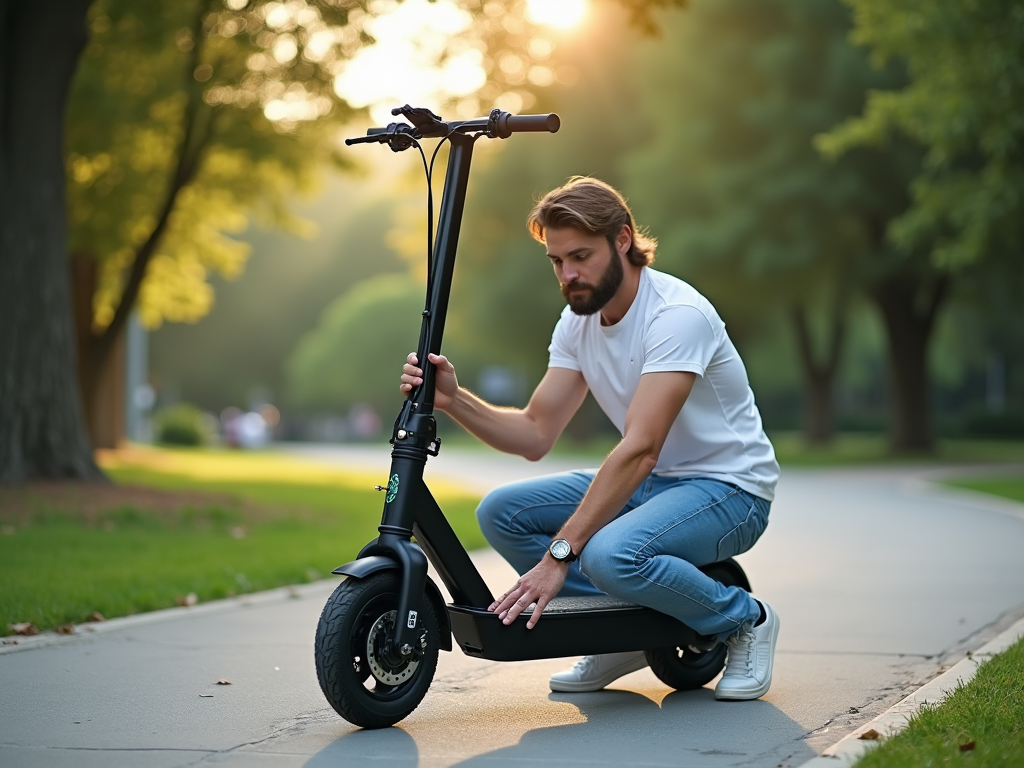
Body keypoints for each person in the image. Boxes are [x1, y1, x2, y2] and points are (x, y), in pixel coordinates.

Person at [400, 177, 780, 700]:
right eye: (557, 261)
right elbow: (535, 432)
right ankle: (623, 628)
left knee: (607, 556)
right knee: (501, 513)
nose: (568, 274)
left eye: (580, 256)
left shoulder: (676, 316)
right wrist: (454, 399)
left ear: (622, 239)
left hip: (730, 489)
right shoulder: (578, 321)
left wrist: (558, 557)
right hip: (656, 485)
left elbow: (641, 448)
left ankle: (746, 619)